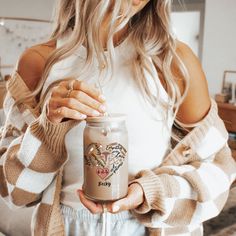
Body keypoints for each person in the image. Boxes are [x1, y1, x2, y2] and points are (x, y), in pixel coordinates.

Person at [0, 0, 235, 236]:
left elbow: (220, 173)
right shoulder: (38, 63)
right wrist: (48, 129)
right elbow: (13, 194)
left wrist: (150, 192)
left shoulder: (173, 62)